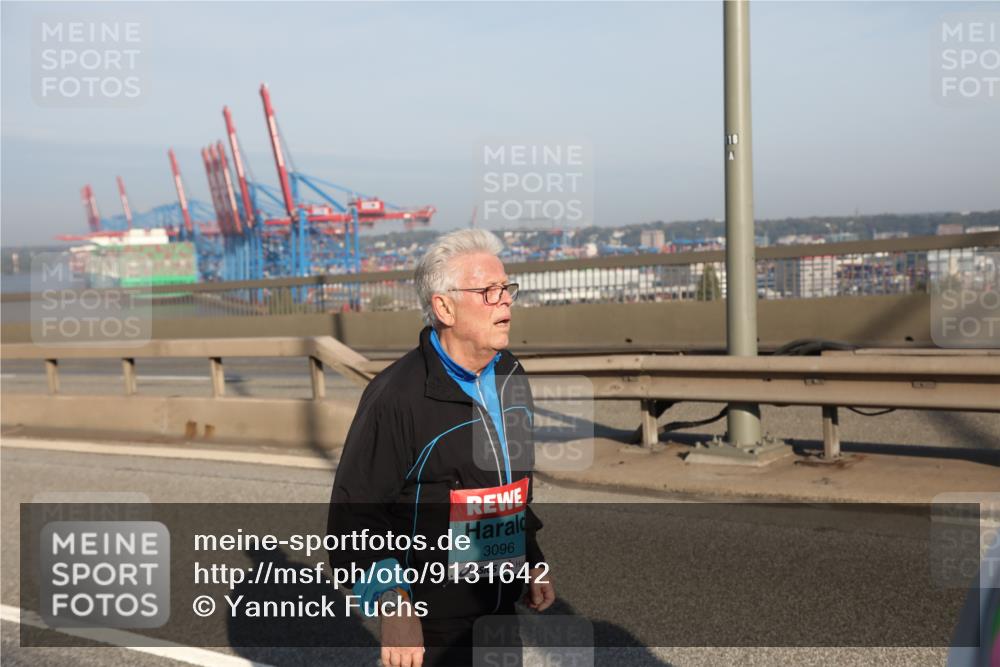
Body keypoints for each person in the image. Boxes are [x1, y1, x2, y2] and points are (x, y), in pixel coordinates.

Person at [327, 229, 556, 667]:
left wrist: (531, 556)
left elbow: (511, 483)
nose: (505, 300)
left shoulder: (511, 375)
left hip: (499, 613)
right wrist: (394, 605)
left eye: (506, 288)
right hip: (432, 625)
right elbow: (353, 518)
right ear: (444, 307)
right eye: (488, 291)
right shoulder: (397, 397)